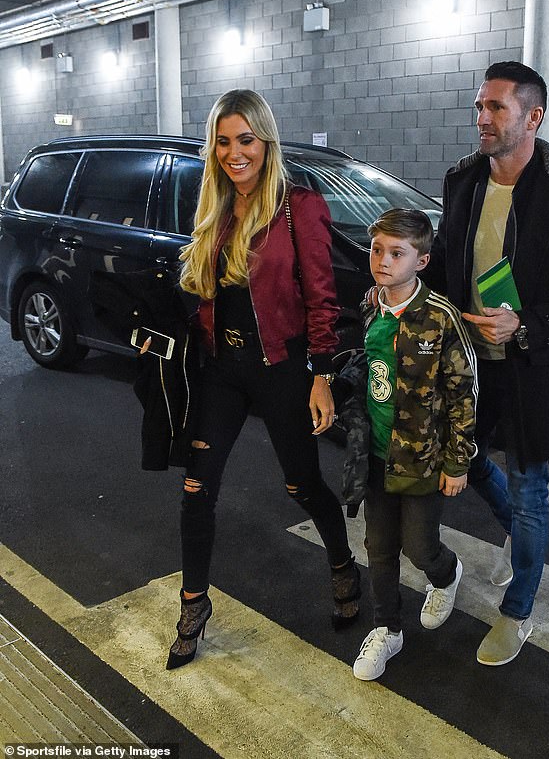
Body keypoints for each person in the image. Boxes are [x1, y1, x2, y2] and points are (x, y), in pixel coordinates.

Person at [423, 61, 549, 666]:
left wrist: (525, 322)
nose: (482, 117)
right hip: (471, 363)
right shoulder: (463, 181)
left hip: (532, 365)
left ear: (533, 117)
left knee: (532, 491)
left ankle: (519, 607)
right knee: (468, 459)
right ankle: (515, 534)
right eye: (479, 105)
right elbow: (449, 261)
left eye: (496, 107)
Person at [165, 89, 360, 670]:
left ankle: (342, 562)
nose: (233, 153)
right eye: (223, 142)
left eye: (244, 140)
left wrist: (321, 376)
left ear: (265, 141)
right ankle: (193, 604)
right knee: (196, 489)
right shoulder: (213, 205)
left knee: (302, 484)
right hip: (222, 372)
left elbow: (322, 298)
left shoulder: (298, 206)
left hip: (282, 368)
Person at [349, 209, 477, 681]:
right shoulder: (370, 304)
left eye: (396, 253)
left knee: (419, 547)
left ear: (421, 261)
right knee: (378, 546)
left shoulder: (440, 319)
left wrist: (458, 462)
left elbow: (464, 392)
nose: (382, 261)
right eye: (376, 250)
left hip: (423, 459)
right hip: (377, 455)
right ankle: (387, 629)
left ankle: (445, 575)